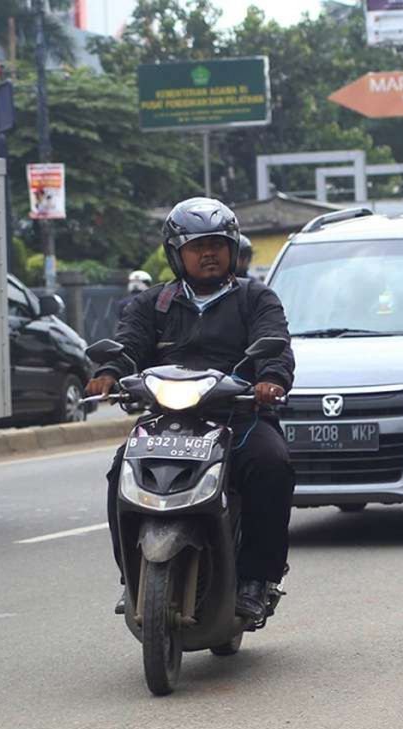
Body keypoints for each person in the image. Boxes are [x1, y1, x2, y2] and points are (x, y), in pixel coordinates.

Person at [85, 198, 296, 622]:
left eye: (217, 244)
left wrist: (271, 379)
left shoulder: (256, 298)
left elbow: (275, 344)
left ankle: (257, 579)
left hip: (239, 416)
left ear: (232, 248)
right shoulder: (153, 303)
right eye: (197, 246)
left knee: (272, 465)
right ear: (176, 253)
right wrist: (108, 372)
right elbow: (128, 345)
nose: (208, 254)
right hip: (167, 419)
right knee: (119, 471)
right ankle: (132, 577)